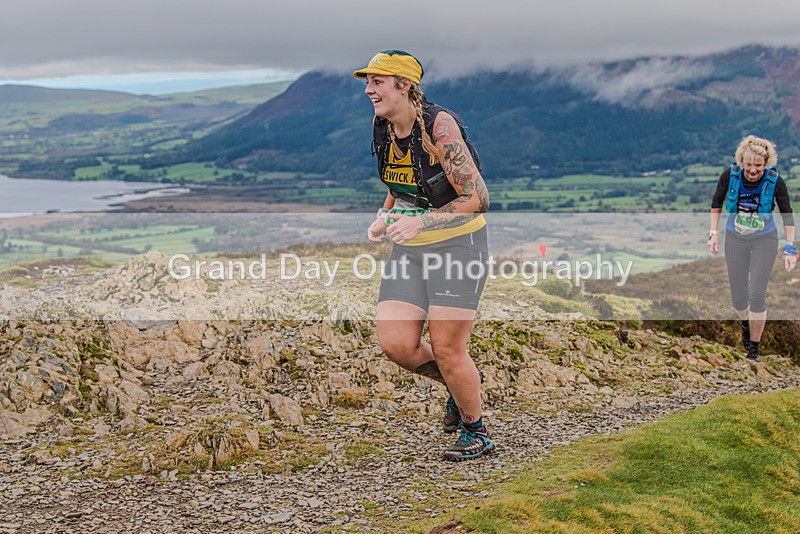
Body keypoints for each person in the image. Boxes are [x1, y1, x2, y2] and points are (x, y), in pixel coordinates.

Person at [353, 50, 493, 461]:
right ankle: (461, 382)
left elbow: (478, 197)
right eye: (368, 81)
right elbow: (401, 184)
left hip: (457, 246)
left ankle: (476, 431)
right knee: (396, 343)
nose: (368, 89)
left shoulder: (439, 126)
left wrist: (423, 222)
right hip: (410, 249)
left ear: (404, 85)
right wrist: (385, 215)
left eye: (377, 81)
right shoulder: (384, 126)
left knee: (448, 349)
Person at [709, 135, 797, 362]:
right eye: (748, 164)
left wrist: (790, 246)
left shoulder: (775, 181)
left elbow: (787, 214)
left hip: (764, 240)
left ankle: (754, 350)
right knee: (739, 299)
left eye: (758, 165)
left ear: (766, 163)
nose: (752, 170)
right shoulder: (730, 175)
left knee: (756, 294)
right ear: (741, 160)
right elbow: (716, 203)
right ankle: (746, 323)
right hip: (735, 238)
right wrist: (713, 234)